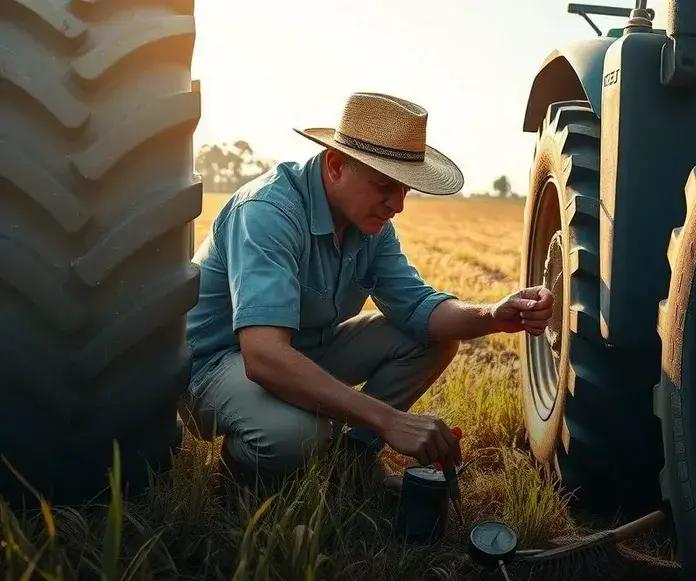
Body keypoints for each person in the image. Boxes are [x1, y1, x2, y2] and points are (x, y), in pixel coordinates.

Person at [180, 92, 553, 481]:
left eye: (406, 188)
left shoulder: (370, 226)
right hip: (218, 364)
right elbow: (264, 356)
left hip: (302, 348)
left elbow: (419, 309)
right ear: (337, 165)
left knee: (430, 338)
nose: (398, 204)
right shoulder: (267, 213)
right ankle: (238, 481)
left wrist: (494, 314)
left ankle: (349, 462)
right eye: (385, 186)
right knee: (299, 433)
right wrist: (388, 421)